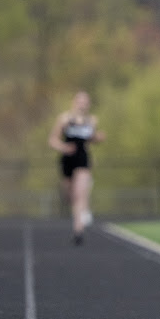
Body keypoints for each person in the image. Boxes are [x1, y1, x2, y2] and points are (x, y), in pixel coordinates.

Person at [48, 91, 106, 244]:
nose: (82, 104)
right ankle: (76, 208)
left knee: (80, 193)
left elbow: (90, 139)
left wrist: (98, 138)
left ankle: (78, 230)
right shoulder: (65, 119)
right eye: (80, 101)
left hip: (83, 159)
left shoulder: (92, 120)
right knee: (70, 195)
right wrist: (64, 147)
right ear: (74, 102)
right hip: (68, 159)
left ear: (88, 104)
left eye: (85, 102)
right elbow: (52, 140)